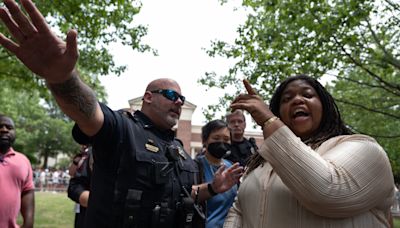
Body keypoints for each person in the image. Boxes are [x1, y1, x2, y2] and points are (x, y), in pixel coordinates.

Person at [0, 1, 243, 227]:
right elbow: (88, 112)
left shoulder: (178, 149)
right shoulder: (123, 129)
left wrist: (212, 188)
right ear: (148, 97)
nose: (179, 102)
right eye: (171, 95)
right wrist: (62, 78)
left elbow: (181, 194)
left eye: (182, 98)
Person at [222, 75, 395, 228]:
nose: (297, 100)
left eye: (307, 94)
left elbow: (329, 192)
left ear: (325, 107)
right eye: (287, 99)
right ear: (279, 113)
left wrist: (269, 121)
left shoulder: (365, 148)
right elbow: (239, 212)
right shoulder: (261, 165)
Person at [195, 120, 238, 228]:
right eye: (216, 138)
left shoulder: (231, 167)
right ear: (205, 141)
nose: (222, 143)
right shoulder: (194, 166)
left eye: (226, 139)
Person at [0, 114, 35, 228]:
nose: (4, 130)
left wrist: (28, 223)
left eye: (9, 128)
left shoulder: (23, 161)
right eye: (0, 126)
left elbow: (27, 191)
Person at [68, 144, 93, 228]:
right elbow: (71, 173)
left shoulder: (92, 152)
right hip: (82, 197)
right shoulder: (81, 156)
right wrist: (76, 161)